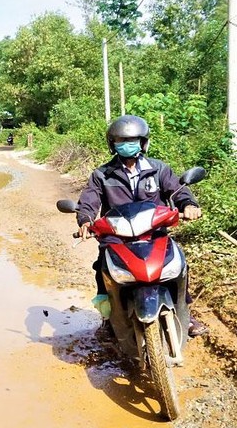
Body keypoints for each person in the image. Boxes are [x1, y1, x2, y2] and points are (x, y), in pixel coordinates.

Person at [75, 115, 208, 338]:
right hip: (117, 237)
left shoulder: (158, 169)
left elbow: (177, 191)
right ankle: (109, 319)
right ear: (112, 143)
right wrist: (85, 220)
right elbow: (89, 200)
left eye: (133, 139)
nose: (127, 144)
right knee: (102, 269)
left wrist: (189, 204)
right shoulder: (101, 174)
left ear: (143, 142)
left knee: (179, 264)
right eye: (120, 140)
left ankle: (186, 312)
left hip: (153, 233)